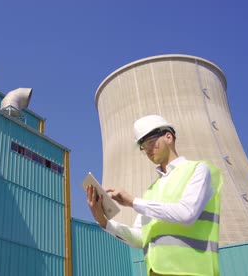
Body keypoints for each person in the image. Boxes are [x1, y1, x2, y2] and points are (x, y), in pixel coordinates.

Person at [86, 115, 223, 276]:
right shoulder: (151, 191)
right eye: (144, 146)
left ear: (168, 137)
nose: (148, 150)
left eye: (151, 142)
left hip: (194, 271)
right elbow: (139, 238)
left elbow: (187, 214)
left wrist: (132, 202)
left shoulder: (198, 170)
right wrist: (103, 221)